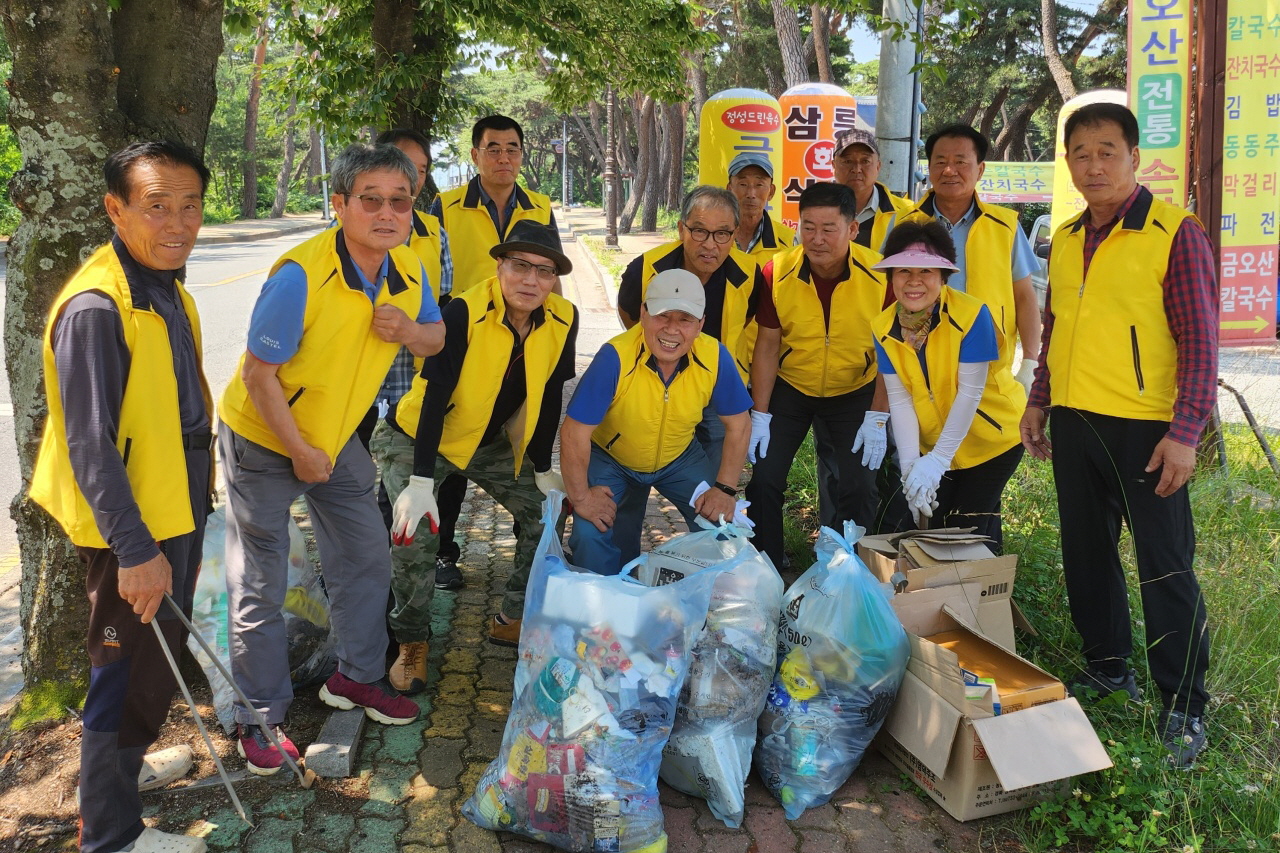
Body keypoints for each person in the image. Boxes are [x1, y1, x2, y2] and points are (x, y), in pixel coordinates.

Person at [218, 143, 444, 774]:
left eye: (399, 201)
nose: (386, 213)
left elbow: (437, 337)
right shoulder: (299, 275)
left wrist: (409, 332)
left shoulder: (408, 270)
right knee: (259, 582)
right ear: (340, 204)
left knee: (367, 556)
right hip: (265, 438)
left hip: (337, 437)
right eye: (369, 200)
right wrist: (300, 452)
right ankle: (258, 717)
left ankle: (356, 679)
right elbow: (259, 377)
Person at [29, 140, 214, 853]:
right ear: (115, 208)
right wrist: (136, 552)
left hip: (176, 505)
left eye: (190, 204)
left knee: (153, 662)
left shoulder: (164, 286)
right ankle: (109, 833)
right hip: (130, 528)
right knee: (121, 668)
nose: (178, 221)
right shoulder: (97, 308)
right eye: (156, 206)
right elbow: (90, 447)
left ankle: (124, 770)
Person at [1020, 102, 1215, 768]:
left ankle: (1184, 705)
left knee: (1165, 563)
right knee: (1087, 551)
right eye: (1081, 152)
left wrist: (1184, 432)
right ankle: (1108, 668)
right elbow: (1054, 333)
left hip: (1148, 430)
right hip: (1076, 421)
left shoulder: (1174, 232)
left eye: (1108, 150)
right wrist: (1039, 402)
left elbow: (1200, 342)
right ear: (1068, 161)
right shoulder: (1069, 236)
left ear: (1134, 157)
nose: (1094, 164)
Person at [384, 221, 579, 654]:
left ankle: (513, 617)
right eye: (520, 266)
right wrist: (419, 481)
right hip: (420, 437)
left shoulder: (564, 318)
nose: (531, 280)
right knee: (414, 531)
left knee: (546, 512)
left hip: (487, 442)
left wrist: (544, 467)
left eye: (545, 271)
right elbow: (435, 396)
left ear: (555, 279)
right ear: (499, 265)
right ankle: (410, 641)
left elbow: (548, 395)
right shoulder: (463, 311)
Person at [428, 114, 557, 591]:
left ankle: (530, 559)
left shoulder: (540, 207)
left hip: (519, 346)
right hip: (462, 346)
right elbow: (435, 274)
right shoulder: (446, 206)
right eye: (493, 148)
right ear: (475, 155)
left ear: (522, 154)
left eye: (512, 148)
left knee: (513, 447)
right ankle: (443, 553)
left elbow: (553, 279)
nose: (504, 157)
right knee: (454, 453)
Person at [563, 269, 751, 575]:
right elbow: (573, 433)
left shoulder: (715, 356)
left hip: (680, 457)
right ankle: (601, 611)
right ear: (643, 313)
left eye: (685, 319)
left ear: (701, 323)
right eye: (663, 316)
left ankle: (718, 611)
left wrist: (725, 490)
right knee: (589, 533)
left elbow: (739, 425)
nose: (672, 330)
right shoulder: (615, 356)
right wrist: (581, 497)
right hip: (612, 457)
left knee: (724, 529)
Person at [744, 182, 890, 568]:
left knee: (858, 485)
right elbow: (768, 346)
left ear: (852, 229)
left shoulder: (881, 276)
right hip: (792, 386)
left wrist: (878, 414)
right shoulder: (777, 271)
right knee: (764, 477)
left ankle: (844, 572)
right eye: (808, 227)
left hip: (854, 389)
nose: (817, 239)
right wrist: (759, 415)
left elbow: (892, 353)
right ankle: (766, 569)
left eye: (829, 228)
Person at [871, 221, 1026, 551]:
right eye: (903, 272)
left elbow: (970, 393)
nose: (914, 282)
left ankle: (980, 595)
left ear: (943, 277)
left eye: (927, 271)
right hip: (935, 442)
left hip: (993, 441)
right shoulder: (883, 327)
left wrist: (937, 461)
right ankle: (991, 594)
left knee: (960, 533)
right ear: (891, 278)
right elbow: (900, 400)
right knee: (942, 527)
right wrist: (911, 468)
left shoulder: (972, 315)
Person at [617, 186, 764, 468]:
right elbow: (629, 313)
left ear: (734, 235)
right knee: (635, 460)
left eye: (722, 234)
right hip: (655, 380)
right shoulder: (647, 267)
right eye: (699, 231)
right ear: (682, 229)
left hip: (716, 384)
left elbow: (745, 318)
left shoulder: (748, 273)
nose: (710, 245)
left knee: (713, 474)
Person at [893, 124, 1041, 392]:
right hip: (919, 361)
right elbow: (887, 294)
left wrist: (1031, 361)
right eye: (940, 162)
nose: (949, 170)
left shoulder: (1004, 226)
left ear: (980, 169)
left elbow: (1024, 295)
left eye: (960, 162)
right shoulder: (905, 224)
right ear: (929, 168)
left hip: (990, 365)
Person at [831, 127, 911, 252]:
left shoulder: (905, 213)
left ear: (878, 166)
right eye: (848, 161)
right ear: (834, 166)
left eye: (865, 161)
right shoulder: (816, 210)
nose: (857, 169)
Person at [725, 151, 797, 260]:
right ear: (729, 190)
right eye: (743, 184)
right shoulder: (714, 236)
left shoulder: (790, 241)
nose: (751, 194)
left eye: (759, 185)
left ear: (771, 192)